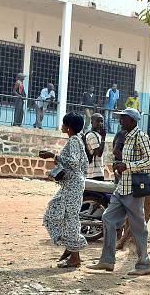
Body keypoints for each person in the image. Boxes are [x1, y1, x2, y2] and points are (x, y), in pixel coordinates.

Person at [88, 107, 150, 275]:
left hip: (134, 190)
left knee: (138, 227)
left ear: (132, 120)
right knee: (108, 218)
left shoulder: (141, 136)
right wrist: (120, 166)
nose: (120, 120)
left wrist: (128, 166)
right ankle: (107, 261)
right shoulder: (125, 136)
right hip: (122, 187)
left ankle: (143, 264)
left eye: (123, 118)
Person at [39, 112, 88, 268]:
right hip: (72, 185)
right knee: (57, 213)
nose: (62, 126)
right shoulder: (78, 141)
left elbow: (73, 163)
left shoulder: (74, 141)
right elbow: (84, 165)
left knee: (68, 218)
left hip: (72, 186)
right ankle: (71, 248)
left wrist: (53, 156)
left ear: (68, 127)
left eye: (64, 124)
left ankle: (75, 256)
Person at [84, 113, 107, 181]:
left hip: (95, 172)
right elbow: (99, 154)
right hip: (94, 173)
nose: (100, 123)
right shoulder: (92, 135)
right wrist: (103, 138)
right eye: (97, 121)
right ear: (91, 122)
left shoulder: (97, 135)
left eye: (102, 121)